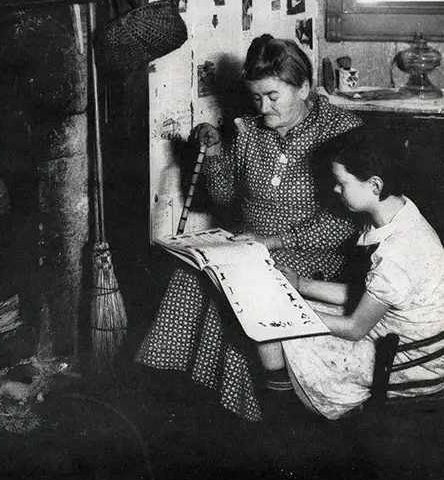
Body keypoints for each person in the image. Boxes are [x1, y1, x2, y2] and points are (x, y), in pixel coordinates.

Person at [135, 35, 362, 422]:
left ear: (304, 87)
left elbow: (346, 222)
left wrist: (275, 240)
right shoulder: (251, 129)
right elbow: (224, 198)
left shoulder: (339, 129)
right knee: (190, 276)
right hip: (250, 241)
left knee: (250, 291)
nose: (263, 107)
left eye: (273, 96)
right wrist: (216, 153)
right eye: (256, 97)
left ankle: (265, 409)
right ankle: (184, 402)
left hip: (311, 252)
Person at [275, 127, 444, 420]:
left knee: (277, 331)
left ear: (374, 185)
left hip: (411, 362)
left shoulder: (398, 253)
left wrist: (290, 315)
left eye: (341, 182)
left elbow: (355, 327)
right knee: (290, 315)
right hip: (396, 334)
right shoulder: (398, 215)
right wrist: (300, 284)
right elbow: (368, 295)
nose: (335, 189)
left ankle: (284, 420)